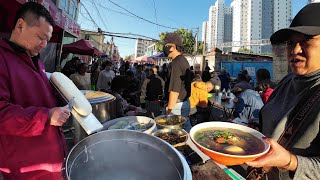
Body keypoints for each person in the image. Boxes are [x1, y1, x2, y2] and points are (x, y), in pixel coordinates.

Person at [245, 3, 320, 180]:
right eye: (290, 43)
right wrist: (255, 130)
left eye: (307, 40)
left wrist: (290, 162)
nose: (295, 50)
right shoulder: (287, 80)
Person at [0, 2, 71, 179]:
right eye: (41, 37)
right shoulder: (2, 59)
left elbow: (39, 96)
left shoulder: (36, 61)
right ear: (20, 26)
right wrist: (46, 116)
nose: (44, 45)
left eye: (47, 39)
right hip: (27, 167)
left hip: (52, 159)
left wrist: (61, 97)